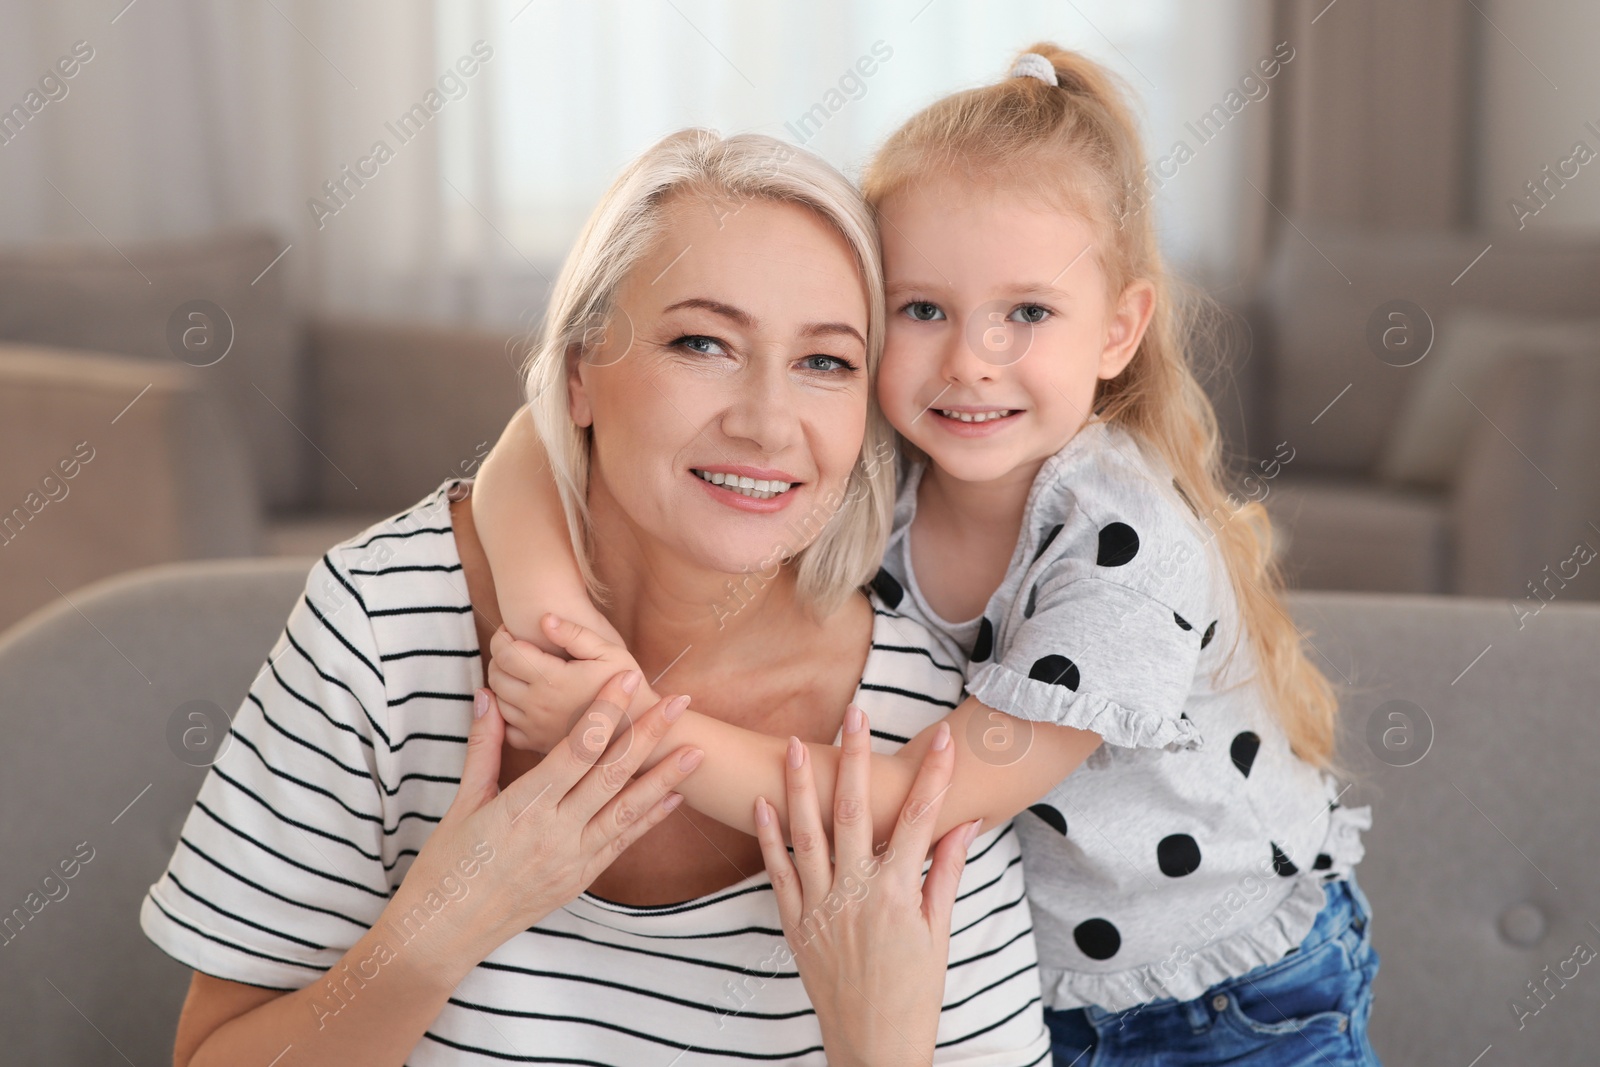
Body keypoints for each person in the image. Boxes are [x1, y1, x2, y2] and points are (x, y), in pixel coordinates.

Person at [472, 44, 1380, 1066]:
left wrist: (621, 722)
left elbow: (910, 801)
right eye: (922, 309)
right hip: (1040, 986)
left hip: (1230, 996)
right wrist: (561, 626)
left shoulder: (1124, 546)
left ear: (1119, 330)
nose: (968, 360)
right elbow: (528, 443)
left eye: (1026, 313)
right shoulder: (880, 464)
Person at [138, 127, 1050, 1066]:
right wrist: (439, 934)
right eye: (702, 342)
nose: (768, 423)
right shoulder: (385, 622)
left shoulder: (920, 719)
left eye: (825, 362)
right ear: (579, 372)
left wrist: (880, 1048)